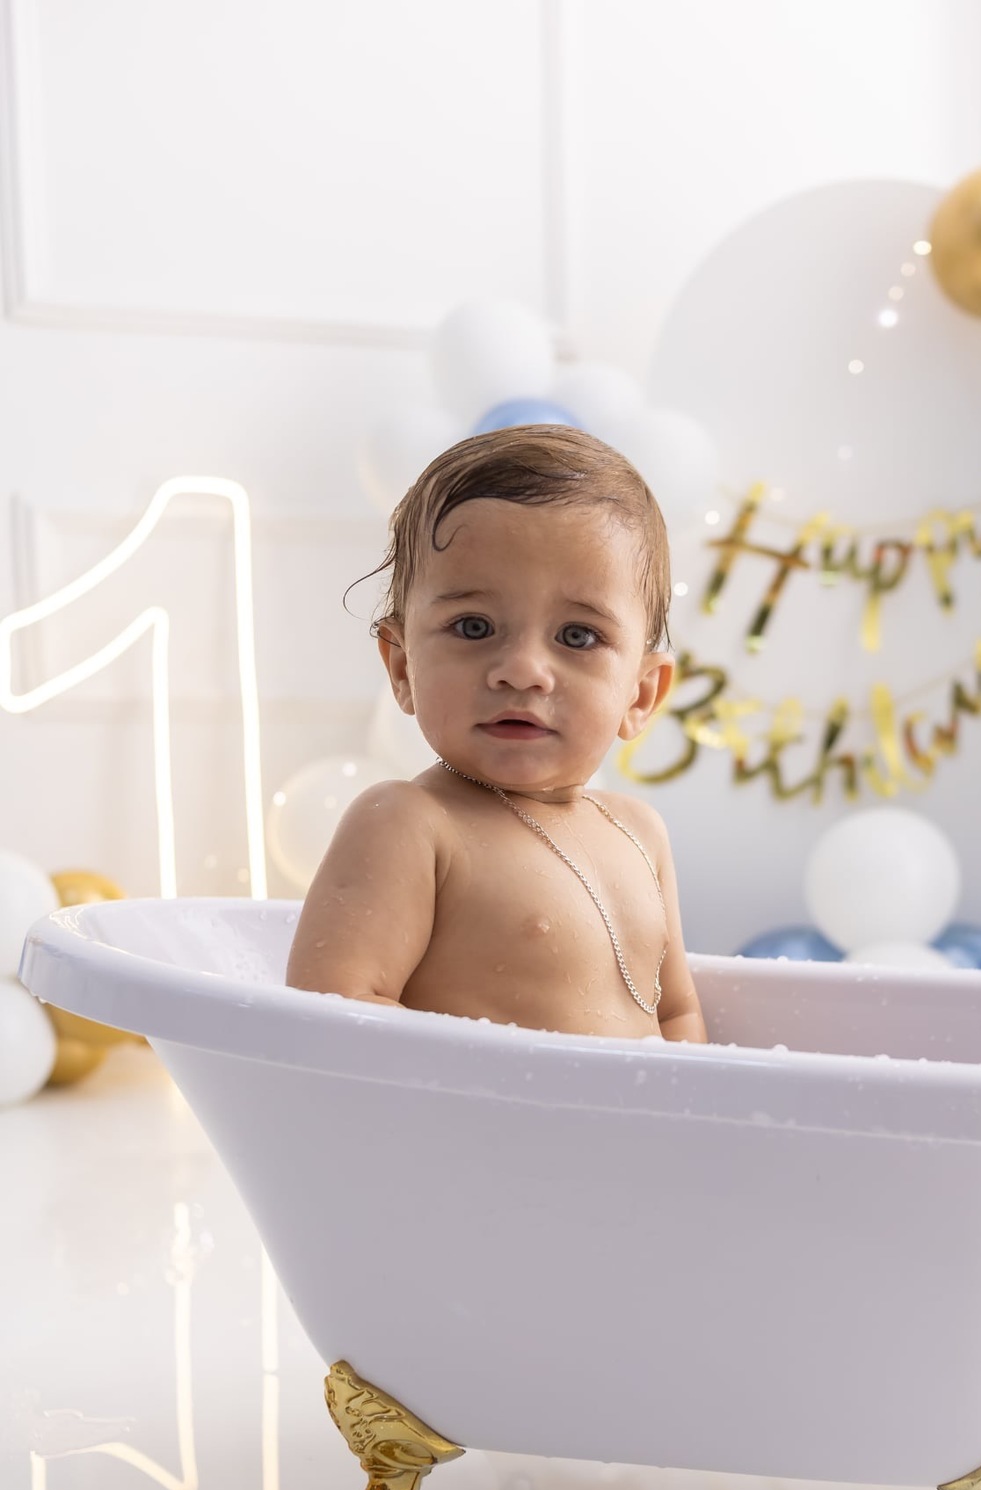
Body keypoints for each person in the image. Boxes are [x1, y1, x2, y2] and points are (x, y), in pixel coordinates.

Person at [286, 425, 707, 1044]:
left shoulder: (641, 834)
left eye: (578, 637)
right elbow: (332, 1018)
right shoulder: (410, 824)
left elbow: (677, 1015)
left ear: (641, 694)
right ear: (402, 665)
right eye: (475, 626)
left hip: (632, 1140)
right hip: (477, 1138)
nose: (523, 671)